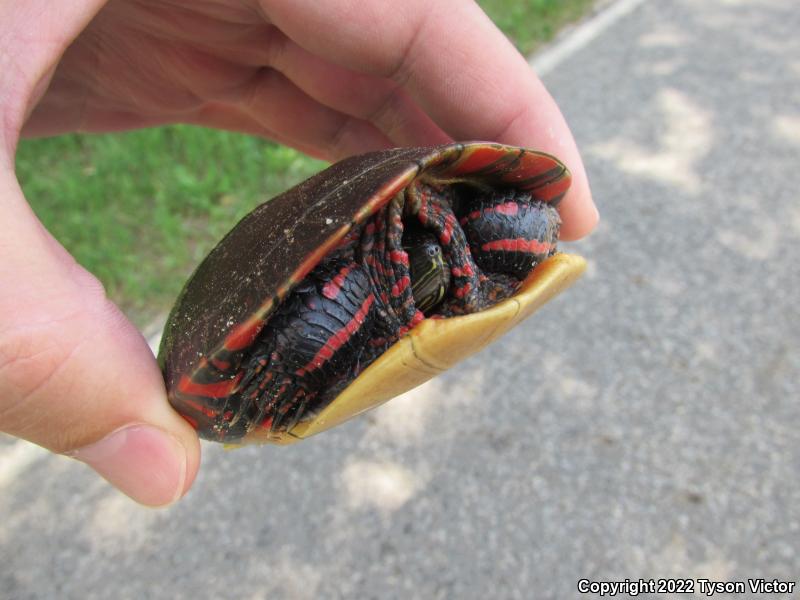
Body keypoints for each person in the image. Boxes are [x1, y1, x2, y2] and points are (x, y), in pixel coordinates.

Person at [0, 0, 598, 506]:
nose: (431, 267)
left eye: (431, 256)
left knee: (520, 219)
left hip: (410, 245)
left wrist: (459, 240)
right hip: (279, 342)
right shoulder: (369, 280)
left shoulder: (453, 230)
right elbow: (320, 319)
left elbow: (531, 218)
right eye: (421, 257)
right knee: (319, 324)